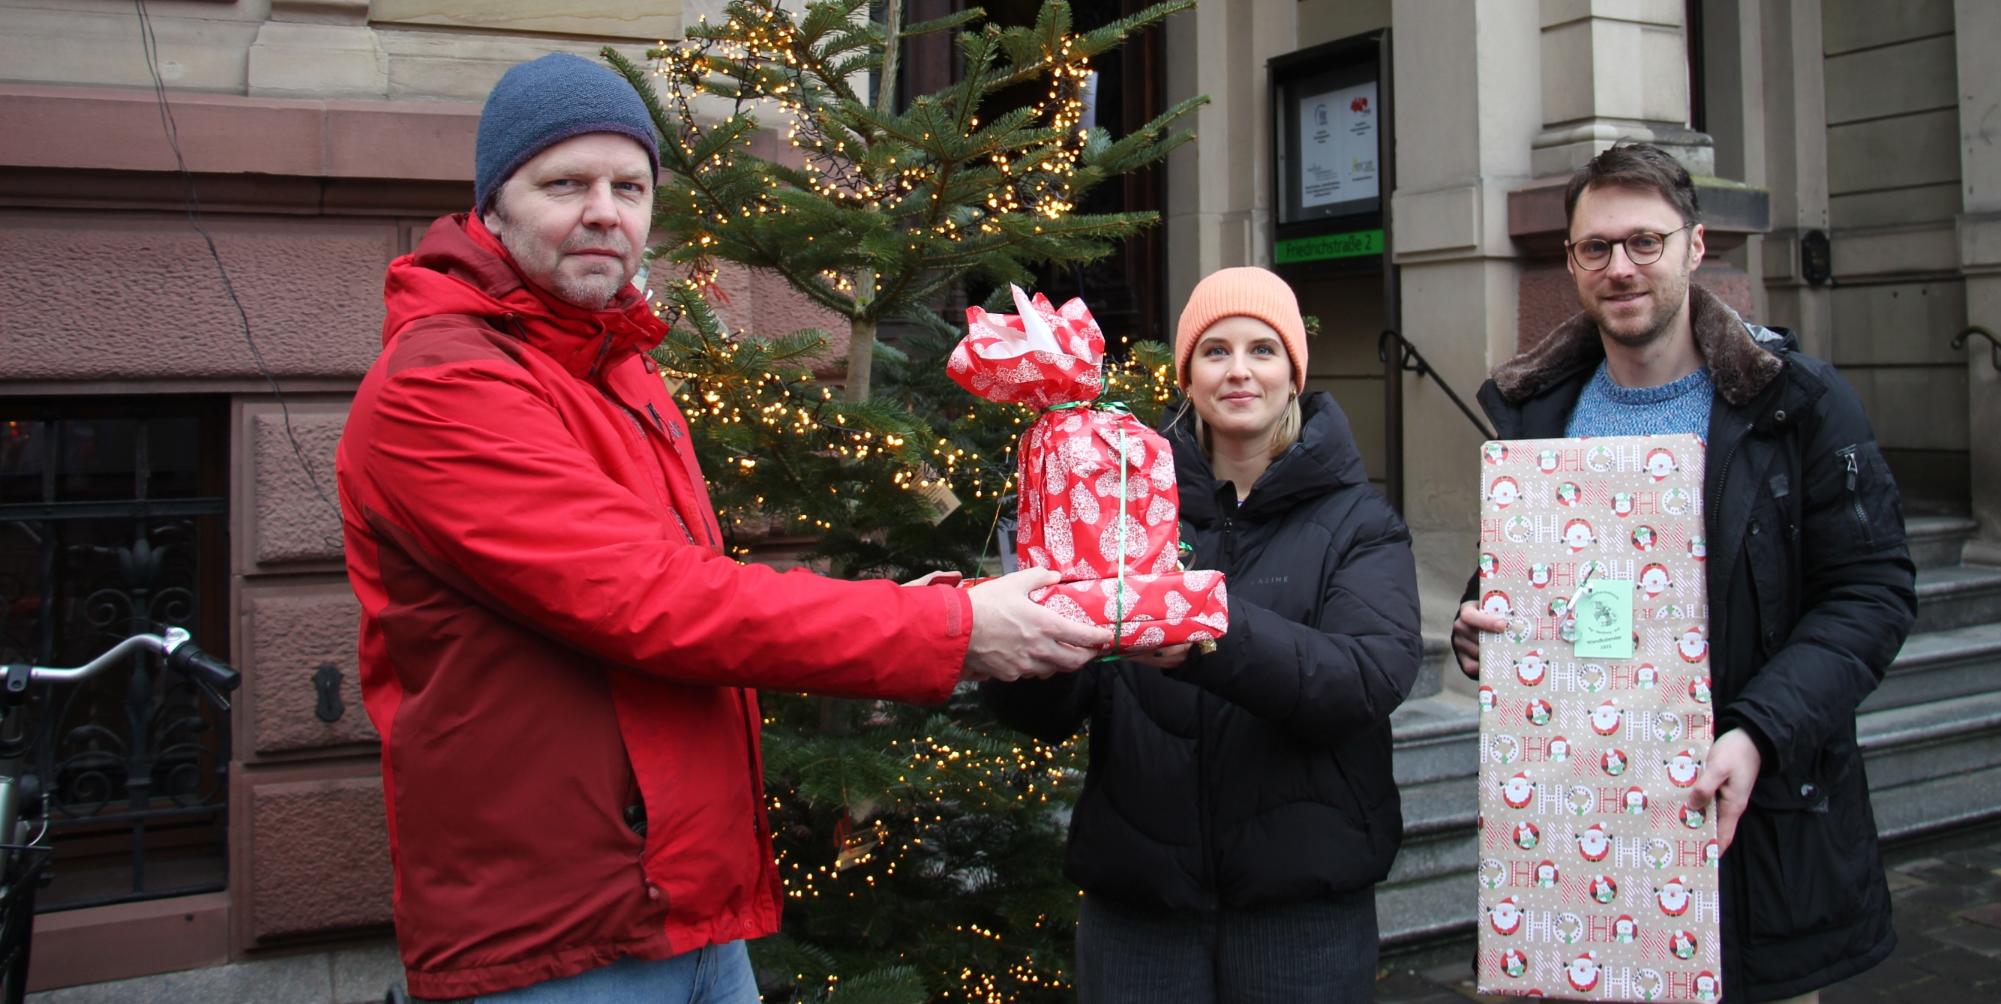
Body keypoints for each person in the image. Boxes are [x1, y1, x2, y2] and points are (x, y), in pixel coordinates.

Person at [337, 53, 1113, 1003]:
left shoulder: (615, 362)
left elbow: (679, 587)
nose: (604, 211)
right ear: (491, 207)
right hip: (559, 941)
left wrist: (932, 607)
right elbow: (652, 603)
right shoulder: (444, 384)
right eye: (565, 183)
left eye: (630, 185)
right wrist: (950, 632)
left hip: (689, 911)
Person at [1451, 143, 1916, 1004]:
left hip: (1755, 832)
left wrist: (1759, 732)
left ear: (1695, 248)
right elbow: (1524, 584)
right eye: (1597, 247)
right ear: (1571, 261)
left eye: (1645, 243)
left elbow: (1873, 593)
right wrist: (1481, 625)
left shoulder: (1796, 405)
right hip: (1579, 837)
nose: (1620, 267)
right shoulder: (1537, 415)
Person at [985, 267, 1422, 1004]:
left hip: (1301, 912)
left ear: (1293, 372)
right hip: (1141, 909)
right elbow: (1044, 716)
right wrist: (1027, 643)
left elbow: (1365, 679)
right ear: (1187, 375)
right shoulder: (1114, 501)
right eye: (1216, 351)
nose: (1240, 371)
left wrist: (1203, 632)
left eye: (1263, 349)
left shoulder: (1361, 523)